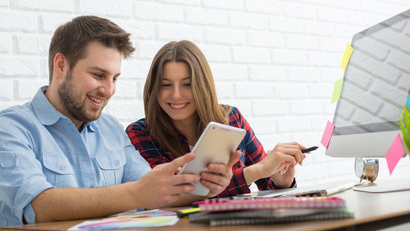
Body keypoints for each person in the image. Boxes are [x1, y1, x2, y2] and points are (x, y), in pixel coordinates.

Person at [0, 17, 239, 227]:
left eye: (115, 78)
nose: (109, 90)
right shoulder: (12, 128)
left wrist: (207, 188)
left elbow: (155, 191)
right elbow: (38, 208)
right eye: (98, 75)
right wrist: (137, 193)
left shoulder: (111, 129)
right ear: (61, 65)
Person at [127, 40, 307, 198]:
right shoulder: (141, 133)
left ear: (202, 85)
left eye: (187, 84)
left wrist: (282, 181)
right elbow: (174, 195)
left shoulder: (231, 118)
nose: (176, 95)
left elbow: (268, 186)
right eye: (166, 85)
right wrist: (256, 171)